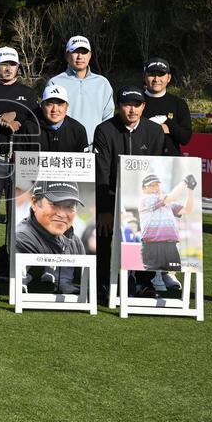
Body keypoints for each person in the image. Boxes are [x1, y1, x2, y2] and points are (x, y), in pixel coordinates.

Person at [93, 85, 166, 299]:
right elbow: (102, 173)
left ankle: (144, 282)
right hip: (112, 197)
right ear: (118, 106)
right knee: (103, 232)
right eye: (127, 105)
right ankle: (104, 283)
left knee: (150, 235)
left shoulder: (154, 131)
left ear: (144, 106)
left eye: (137, 105)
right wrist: (105, 210)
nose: (132, 110)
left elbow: (158, 171)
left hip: (144, 200)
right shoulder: (104, 130)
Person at [0, 46, 36, 295]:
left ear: (18, 67)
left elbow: (36, 121)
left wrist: (19, 116)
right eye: (3, 64)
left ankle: (16, 274)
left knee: (19, 220)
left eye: (12, 64)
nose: (8, 67)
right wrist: (0, 118)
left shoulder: (29, 93)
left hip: (21, 162)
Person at [14, 181, 87, 294]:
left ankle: (63, 280)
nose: (62, 214)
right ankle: (22, 279)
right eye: (54, 204)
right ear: (34, 203)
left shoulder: (74, 239)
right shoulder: (22, 236)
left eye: (69, 206)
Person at [47, 35, 114, 142]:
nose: (80, 56)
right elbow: (49, 116)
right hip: (64, 145)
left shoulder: (103, 83)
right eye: (75, 52)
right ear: (67, 55)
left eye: (84, 52)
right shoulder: (55, 82)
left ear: (90, 55)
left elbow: (108, 119)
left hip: (95, 145)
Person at [138, 173, 196, 278]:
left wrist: (190, 189)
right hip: (152, 246)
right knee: (150, 276)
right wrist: (184, 181)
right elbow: (172, 197)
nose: (155, 188)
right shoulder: (146, 199)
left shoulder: (166, 203)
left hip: (170, 245)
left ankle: (167, 279)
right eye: (151, 185)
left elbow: (188, 209)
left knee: (172, 274)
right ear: (144, 189)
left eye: (157, 185)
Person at [141, 57, 192, 156]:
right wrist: (158, 128)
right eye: (151, 74)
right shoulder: (135, 101)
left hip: (171, 164)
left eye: (161, 74)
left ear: (168, 78)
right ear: (144, 77)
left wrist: (167, 122)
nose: (156, 79)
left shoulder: (179, 104)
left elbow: (185, 138)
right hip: (141, 162)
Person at [23, 84, 89, 153]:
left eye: (60, 104)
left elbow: (84, 161)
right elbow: (19, 159)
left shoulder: (78, 129)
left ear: (67, 106)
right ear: (42, 106)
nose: (54, 110)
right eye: (49, 104)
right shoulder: (28, 127)